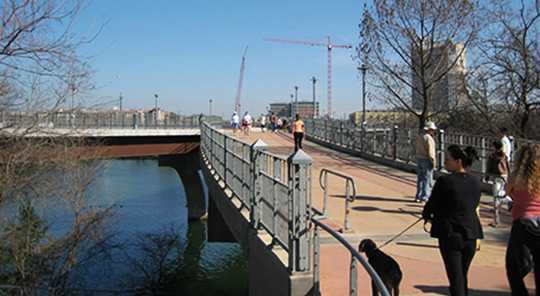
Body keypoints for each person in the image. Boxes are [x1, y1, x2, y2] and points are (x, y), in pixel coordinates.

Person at [422, 145, 483, 296]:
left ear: (458, 161)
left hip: (451, 235)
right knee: (462, 275)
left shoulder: (445, 181)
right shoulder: (476, 181)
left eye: (448, 159)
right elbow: (473, 203)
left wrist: (427, 215)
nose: (445, 162)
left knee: (455, 279)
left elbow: (432, 205)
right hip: (471, 234)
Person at [504, 144, 540, 295]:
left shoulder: (516, 176)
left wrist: (519, 200)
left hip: (522, 221)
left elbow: (507, 192)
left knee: (512, 265)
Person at [487, 140, 511, 226]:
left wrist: (487, 176)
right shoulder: (504, 155)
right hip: (505, 176)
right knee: (502, 193)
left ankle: (496, 220)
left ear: (494, 147)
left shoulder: (492, 156)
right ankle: (509, 201)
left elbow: (489, 167)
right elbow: (508, 166)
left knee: (496, 197)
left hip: (497, 177)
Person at [415, 121, 437, 202]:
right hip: (426, 159)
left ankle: (418, 195)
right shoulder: (429, 138)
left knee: (420, 178)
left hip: (419, 158)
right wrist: (433, 162)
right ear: (430, 129)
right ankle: (425, 196)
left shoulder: (419, 136)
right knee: (427, 179)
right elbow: (431, 152)